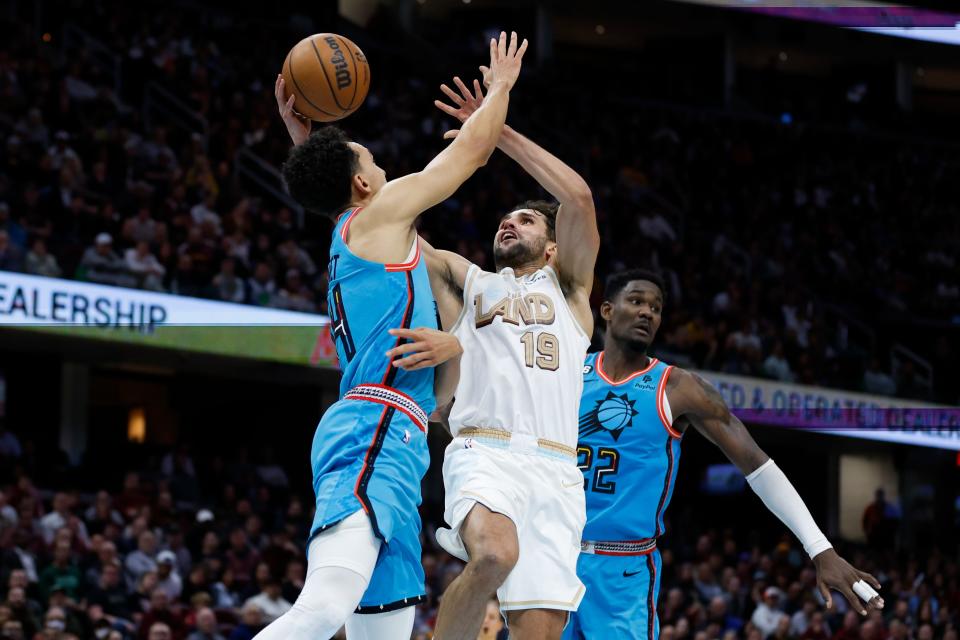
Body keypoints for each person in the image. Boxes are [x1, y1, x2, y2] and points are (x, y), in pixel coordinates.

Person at [255, 31, 527, 640]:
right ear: (362, 187)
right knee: (322, 611)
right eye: (373, 162)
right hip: (373, 429)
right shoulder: (379, 216)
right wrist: (503, 85)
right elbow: (470, 154)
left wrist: (306, 141)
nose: (383, 167)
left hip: (393, 438)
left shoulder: (360, 231)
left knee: (385, 632)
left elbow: (326, 185)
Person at [564, 269, 885, 640]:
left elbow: (757, 464)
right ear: (605, 309)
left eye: (656, 307)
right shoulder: (569, 373)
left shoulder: (680, 388)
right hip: (554, 554)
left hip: (623, 569)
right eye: (636, 301)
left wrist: (820, 549)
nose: (647, 313)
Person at [424, 71, 600, 639]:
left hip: (556, 468)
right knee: (495, 555)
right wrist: (314, 157)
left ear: (552, 247)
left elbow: (577, 197)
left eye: (525, 219)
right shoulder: (467, 280)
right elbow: (385, 227)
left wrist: (494, 129)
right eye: (505, 219)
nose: (508, 221)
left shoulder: (570, 292)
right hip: (485, 449)